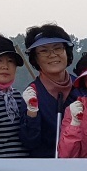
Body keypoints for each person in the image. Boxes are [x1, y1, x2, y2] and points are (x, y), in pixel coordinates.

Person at [19, 23, 79, 157]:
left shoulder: (82, 87)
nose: (52, 55)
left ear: (67, 52)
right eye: (44, 51)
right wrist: (32, 113)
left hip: (80, 166)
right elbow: (29, 142)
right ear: (35, 58)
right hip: (45, 167)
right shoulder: (32, 93)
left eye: (58, 48)